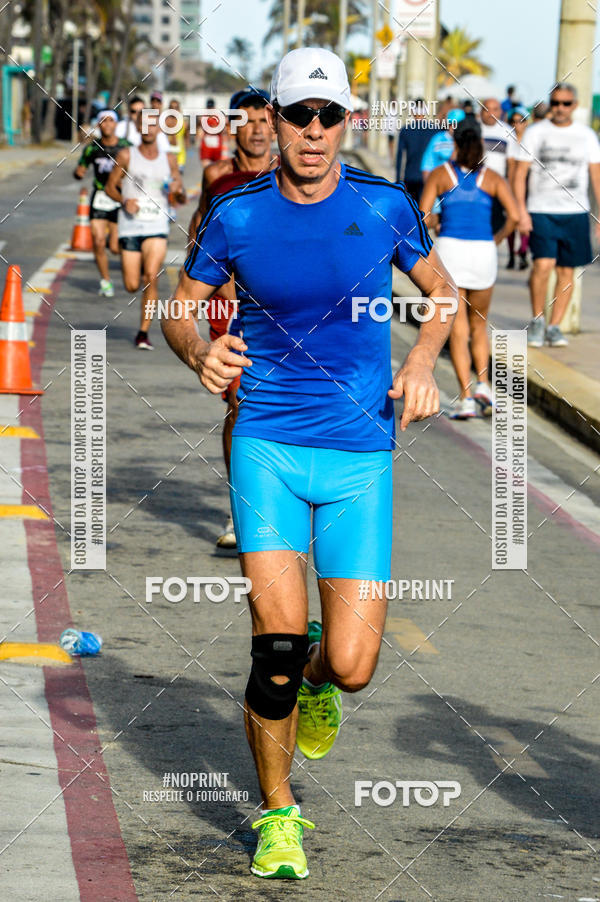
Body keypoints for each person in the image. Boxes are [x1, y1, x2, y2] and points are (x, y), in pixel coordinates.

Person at [163, 46, 457, 881]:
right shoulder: (237, 214)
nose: (316, 132)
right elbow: (180, 310)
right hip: (268, 447)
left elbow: (440, 294)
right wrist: (200, 353)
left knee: (351, 667)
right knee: (276, 651)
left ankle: (321, 679)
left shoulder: (384, 204)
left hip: (361, 453)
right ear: (277, 119)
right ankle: (279, 814)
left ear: (348, 121)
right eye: (300, 115)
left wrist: (425, 360)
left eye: (332, 116)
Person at [187, 86, 276, 550]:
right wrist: (200, 284)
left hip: (281, 309)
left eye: (265, 120)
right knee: (239, 405)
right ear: (233, 125)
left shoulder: (286, 176)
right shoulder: (217, 174)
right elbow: (200, 226)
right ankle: (241, 508)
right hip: (229, 308)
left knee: (276, 403)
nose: (258, 130)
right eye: (249, 120)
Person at [421, 118, 518, 419]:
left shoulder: (441, 174)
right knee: (480, 325)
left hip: (451, 251)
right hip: (483, 253)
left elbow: (423, 216)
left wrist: (436, 223)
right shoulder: (492, 178)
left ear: (456, 142)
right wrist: (496, 240)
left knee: (457, 328)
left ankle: (465, 398)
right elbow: (514, 216)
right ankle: (484, 386)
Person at [513, 82, 600, 347]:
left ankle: (554, 326)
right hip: (541, 209)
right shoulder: (535, 133)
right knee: (542, 265)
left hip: (575, 211)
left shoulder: (586, 135)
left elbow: (596, 176)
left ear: (574, 105)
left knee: (566, 271)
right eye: (556, 103)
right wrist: (520, 211)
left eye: (565, 103)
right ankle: (538, 319)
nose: (560, 109)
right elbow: (520, 175)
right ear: (550, 105)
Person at [105, 111, 185, 349]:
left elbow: (179, 192)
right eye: (143, 124)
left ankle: (143, 333)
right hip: (130, 225)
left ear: (159, 128)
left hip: (156, 225)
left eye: (153, 124)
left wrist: (178, 192)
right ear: (138, 128)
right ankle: (136, 269)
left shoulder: (169, 159)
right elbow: (110, 187)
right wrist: (123, 201)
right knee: (132, 285)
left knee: (151, 276)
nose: (148, 128)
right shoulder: (126, 155)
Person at [74, 110, 129, 298]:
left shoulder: (125, 147)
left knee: (114, 247)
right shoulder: (92, 148)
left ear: (116, 124)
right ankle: (106, 281)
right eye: (103, 121)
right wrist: (79, 173)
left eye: (111, 121)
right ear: (98, 125)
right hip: (99, 197)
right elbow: (81, 168)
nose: (107, 124)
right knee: (97, 242)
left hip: (119, 199)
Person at [479, 97, 517, 236]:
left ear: (501, 111)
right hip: (475, 187)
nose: (490, 113)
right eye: (487, 109)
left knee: (494, 225)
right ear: (481, 111)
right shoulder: (474, 128)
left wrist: (511, 190)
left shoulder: (507, 131)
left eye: (495, 110)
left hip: (496, 188)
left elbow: (511, 164)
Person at [396, 98, 438, 202]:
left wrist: (398, 180)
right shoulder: (435, 130)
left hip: (410, 177)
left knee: (412, 212)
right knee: (425, 212)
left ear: (412, 112)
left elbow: (400, 157)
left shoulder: (405, 130)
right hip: (428, 177)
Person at [506, 106, 531, 269]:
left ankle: (522, 251)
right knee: (511, 219)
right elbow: (510, 166)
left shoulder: (531, 139)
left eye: (520, 121)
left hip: (528, 184)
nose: (517, 124)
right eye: (513, 121)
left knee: (524, 218)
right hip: (510, 184)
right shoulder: (508, 140)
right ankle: (511, 255)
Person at [420, 107, 465, 179]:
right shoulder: (438, 138)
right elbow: (427, 164)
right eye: (452, 124)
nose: (454, 127)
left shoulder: (469, 139)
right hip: (440, 182)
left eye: (458, 124)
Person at [199, 98, 228, 167]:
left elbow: (225, 132)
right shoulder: (203, 117)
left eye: (211, 107)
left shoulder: (219, 117)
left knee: (217, 169)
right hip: (206, 147)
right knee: (206, 168)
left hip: (217, 147)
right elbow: (200, 132)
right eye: (209, 108)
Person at [165, 99, 188, 173]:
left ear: (179, 109)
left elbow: (186, 135)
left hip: (180, 155)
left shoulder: (183, 122)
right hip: (168, 154)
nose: (174, 110)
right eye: (172, 107)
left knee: (177, 178)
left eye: (176, 107)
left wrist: (187, 143)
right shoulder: (165, 122)